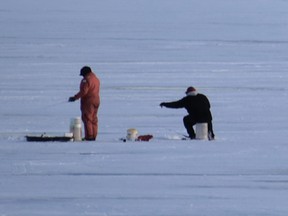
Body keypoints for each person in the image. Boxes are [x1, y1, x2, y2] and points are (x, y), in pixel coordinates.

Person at [68, 66, 100, 141]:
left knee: (87, 119)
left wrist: (75, 97)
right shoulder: (96, 79)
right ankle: (93, 136)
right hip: (96, 100)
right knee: (94, 119)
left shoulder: (86, 80)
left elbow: (84, 91)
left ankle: (89, 137)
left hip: (88, 101)